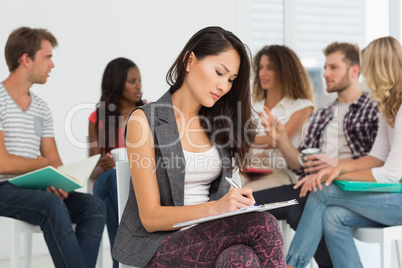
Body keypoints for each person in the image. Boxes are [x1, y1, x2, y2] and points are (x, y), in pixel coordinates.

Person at [112, 26, 286, 267]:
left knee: (240, 260)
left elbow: (224, 194)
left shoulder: (220, 124)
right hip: (159, 246)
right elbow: (150, 217)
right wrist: (216, 208)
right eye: (219, 72)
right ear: (190, 60)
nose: (224, 86)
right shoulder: (144, 120)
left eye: (230, 80)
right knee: (265, 225)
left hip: (212, 238)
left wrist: (236, 204)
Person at [254, 42, 379, 267]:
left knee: (275, 203)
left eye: (333, 67)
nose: (325, 74)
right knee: (289, 208)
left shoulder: (373, 108)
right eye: (324, 68)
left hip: (347, 187)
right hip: (313, 185)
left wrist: (333, 168)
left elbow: (378, 161)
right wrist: (281, 139)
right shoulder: (323, 114)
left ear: (354, 71)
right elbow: (298, 164)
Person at [285, 36, 402, 268]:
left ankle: (291, 265)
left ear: (380, 69)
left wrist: (332, 176)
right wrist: (336, 168)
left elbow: (390, 174)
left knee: (322, 191)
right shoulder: (388, 107)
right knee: (332, 216)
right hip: (392, 198)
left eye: (368, 70)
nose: (366, 77)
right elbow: (375, 158)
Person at [0, 27, 106, 268]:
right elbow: (2, 163)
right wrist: (41, 164)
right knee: (50, 205)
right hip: (3, 188)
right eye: (47, 57)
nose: (52, 65)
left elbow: (53, 161)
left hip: (35, 188)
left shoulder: (41, 108)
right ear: (26, 59)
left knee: (94, 206)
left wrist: (59, 180)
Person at [88, 57, 144, 268]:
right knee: (113, 178)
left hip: (137, 182)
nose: (138, 86)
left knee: (119, 190)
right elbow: (91, 172)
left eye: (140, 80)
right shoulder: (97, 118)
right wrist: (101, 165)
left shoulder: (147, 111)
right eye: (132, 81)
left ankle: (119, 263)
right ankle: (122, 260)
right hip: (107, 182)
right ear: (117, 84)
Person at [240, 45, 315, 191]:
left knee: (245, 194)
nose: (263, 73)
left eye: (270, 68)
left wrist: (240, 139)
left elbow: (276, 139)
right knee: (224, 189)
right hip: (253, 169)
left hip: (282, 172)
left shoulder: (302, 106)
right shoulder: (253, 106)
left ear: (285, 72)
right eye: (261, 67)